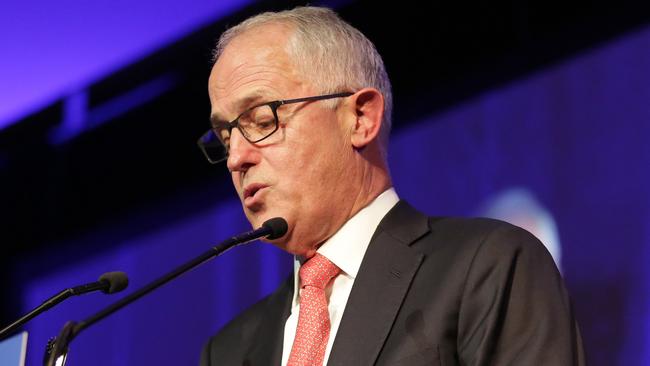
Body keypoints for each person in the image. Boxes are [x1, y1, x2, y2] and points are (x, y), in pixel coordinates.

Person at [198, 6, 584, 366]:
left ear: (361, 117)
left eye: (262, 120)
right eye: (226, 136)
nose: (236, 158)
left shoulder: (488, 265)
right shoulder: (230, 351)